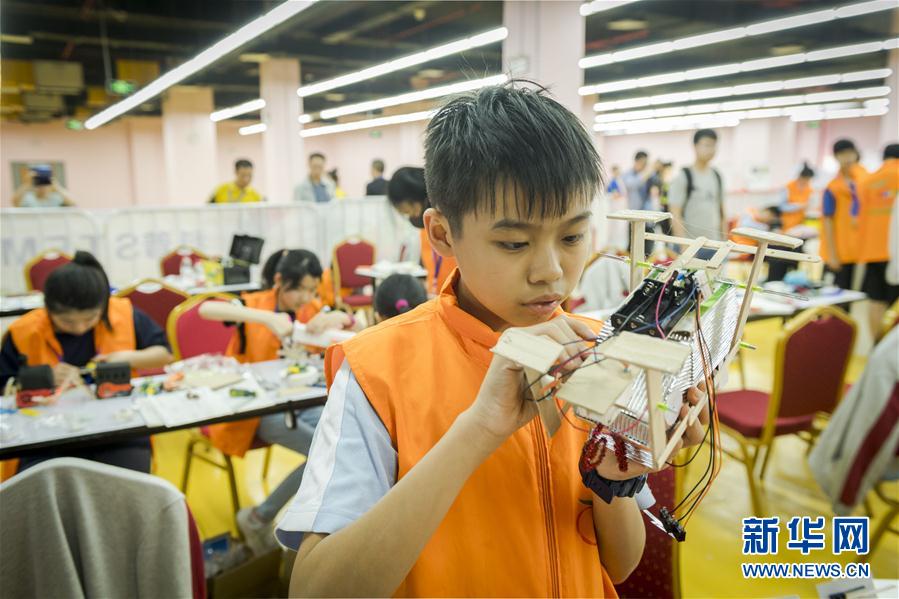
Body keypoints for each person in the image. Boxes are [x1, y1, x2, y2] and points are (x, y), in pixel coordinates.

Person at [278, 82, 709, 597]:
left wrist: (614, 482)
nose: (551, 271)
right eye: (513, 243)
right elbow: (315, 590)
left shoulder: (599, 354)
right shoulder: (377, 371)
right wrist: (479, 429)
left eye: (572, 236)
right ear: (441, 235)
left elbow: (619, 566)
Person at [204, 249, 354, 554]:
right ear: (279, 281)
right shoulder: (254, 304)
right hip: (256, 409)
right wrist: (266, 318)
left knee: (343, 439)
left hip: (296, 401)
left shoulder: (311, 309)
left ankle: (324, 517)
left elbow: (346, 326)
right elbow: (207, 310)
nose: (305, 297)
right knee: (321, 454)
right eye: (299, 288)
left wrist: (340, 316)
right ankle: (260, 517)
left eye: (312, 289)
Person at [0, 251, 173, 473]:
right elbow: (3, 385)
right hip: (47, 433)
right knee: (44, 486)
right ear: (48, 309)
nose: (79, 328)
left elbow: (164, 354)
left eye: (89, 319)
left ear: (103, 307)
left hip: (117, 427)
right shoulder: (24, 331)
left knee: (127, 483)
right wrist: (42, 377)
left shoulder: (123, 313)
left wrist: (127, 358)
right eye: (67, 322)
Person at [387, 166, 458, 295]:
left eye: (411, 211)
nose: (412, 217)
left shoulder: (453, 222)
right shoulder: (424, 229)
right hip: (438, 296)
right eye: (406, 214)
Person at [858, 143, 899, 333]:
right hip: (895, 252)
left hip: (871, 250)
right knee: (894, 305)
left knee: (875, 301)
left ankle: (877, 345)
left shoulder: (868, 181)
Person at [821, 139, 868, 290]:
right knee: (836, 295)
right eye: (842, 154)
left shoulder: (867, 182)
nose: (847, 157)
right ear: (836, 157)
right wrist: (832, 255)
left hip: (864, 251)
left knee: (859, 296)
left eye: (850, 153)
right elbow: (827, 220)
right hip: (840, 251)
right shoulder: (832, 188)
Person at [668, 129, 726, 247]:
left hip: (714, 243)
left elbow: (722, 211)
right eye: (707, 145)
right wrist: (683, 245)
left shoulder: (717, 176)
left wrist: (724, 241)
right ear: (695, 146)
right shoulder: (684, 176)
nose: (711, 150)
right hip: (691, 245)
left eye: (714, 145)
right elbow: (675, 213)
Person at [779, 163, 815, 232]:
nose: (807, 182)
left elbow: (810, 203)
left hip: (801, 222)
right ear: (800, 177)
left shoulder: (809, 189)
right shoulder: (788, 187)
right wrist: (798, 206)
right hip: (788, 223)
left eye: (809, 180)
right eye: (806, 180)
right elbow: (782, 207)